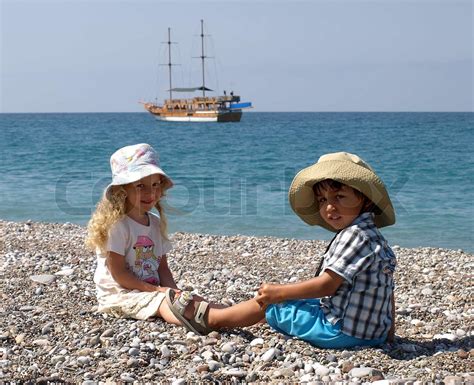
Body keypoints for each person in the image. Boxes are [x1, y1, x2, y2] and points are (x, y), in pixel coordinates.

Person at [165, 152, 397, 348]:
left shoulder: (353, 236)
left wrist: (281, 292)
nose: (329, 207)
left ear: (365, 200)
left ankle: (214, 318)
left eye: (339, 197)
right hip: (373, 333)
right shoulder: (375, 237)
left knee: (270, 303)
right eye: (322, 199)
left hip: (340, 333)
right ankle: (232, 312)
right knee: (304, 303)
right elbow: (387, 291)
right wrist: (388, 333)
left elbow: (327, 285)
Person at [86, 143, 217, 325]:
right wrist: (157, 290)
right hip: (121, 294)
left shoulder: (154, 222)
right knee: (165, 303)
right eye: (140, 185)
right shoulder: (117, 226)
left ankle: (239, 314)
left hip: (150, 289)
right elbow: (119, 274)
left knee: (190, 300)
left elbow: (162, 268)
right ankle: (210, 321)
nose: (151, 192)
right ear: (122, 190)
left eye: (155, 184)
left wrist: (173, 291)